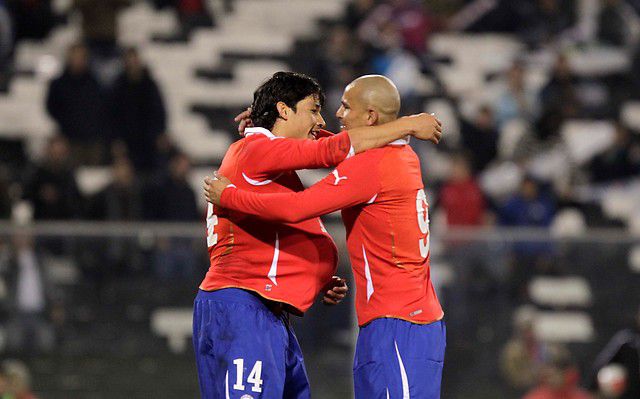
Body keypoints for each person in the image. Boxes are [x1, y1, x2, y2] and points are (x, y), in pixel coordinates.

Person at [194, 71, 442, 399]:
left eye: (341, 107)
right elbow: (328, 154)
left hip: (274, 311)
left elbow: (290, 205)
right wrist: (408, 124)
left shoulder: (272, 156)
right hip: (244, 308)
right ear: (284, 110)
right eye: (314, 110)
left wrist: (315, 274)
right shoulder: (257, 150)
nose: (328, 117)